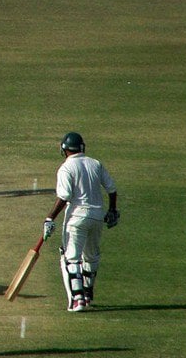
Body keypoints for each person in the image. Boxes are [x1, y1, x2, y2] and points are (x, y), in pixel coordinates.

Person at [42, 132, 119, 312]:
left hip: (76, 217)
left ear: (64, 149)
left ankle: (78, 299)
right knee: (91, 257)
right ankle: (88, 294)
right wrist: (112, 210)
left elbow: (64, 196)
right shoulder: (95, 163)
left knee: (72, 258)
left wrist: (49, 218)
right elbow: (112, 189)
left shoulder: (66, 168)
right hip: (97, 216)